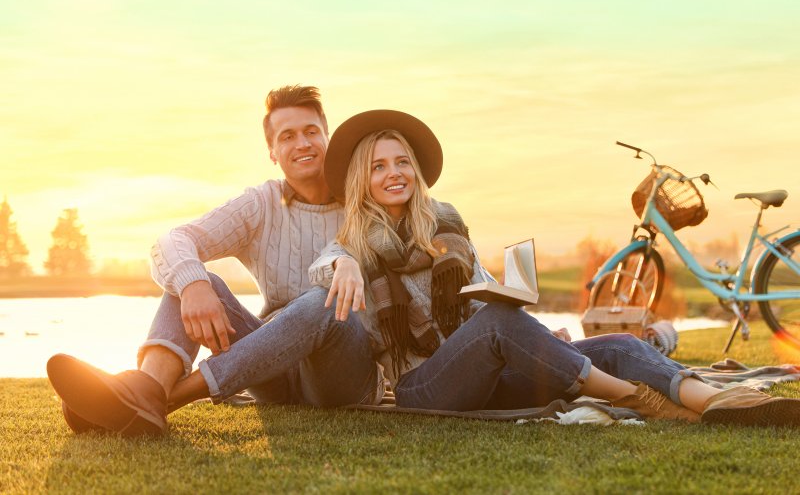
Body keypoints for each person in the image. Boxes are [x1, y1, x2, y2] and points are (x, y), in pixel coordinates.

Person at [309, 109, 800, 425]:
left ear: (414, 168)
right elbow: (322, 270)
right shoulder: (351, 242)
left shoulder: (446, 225)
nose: (394, 173)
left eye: (401, 162)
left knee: (621, 342)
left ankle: (711, 400)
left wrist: (539, 333)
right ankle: (634, 398)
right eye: (379, 166)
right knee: (497, 323)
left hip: (484, 369)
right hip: (423, 387)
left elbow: (483, 296)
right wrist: (347, 263)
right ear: (362, 179)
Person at [47, 85, 381, 437]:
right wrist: (193, 285)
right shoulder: (261, 204)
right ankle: (145, 391)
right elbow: (172, 241)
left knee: (323, 301)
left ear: (327, 136)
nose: (302, 143)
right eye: (287, 136)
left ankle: (161, 399)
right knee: (190, 276)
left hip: (342, 375)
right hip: (271, 370)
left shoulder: (364, 202)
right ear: (272, 152)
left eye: (311, 132)